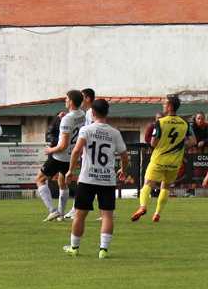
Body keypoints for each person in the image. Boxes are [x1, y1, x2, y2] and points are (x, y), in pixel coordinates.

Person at [63, 98, 129, 258]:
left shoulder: (86, 130)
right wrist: (123, 169)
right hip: (107, 179)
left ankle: (74, 247)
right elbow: (124, 155)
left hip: (87, 178)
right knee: (107, 215)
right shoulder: (115, 132)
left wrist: (70, 170)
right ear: (107, 113)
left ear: (92, 113)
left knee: (80, 214)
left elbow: (76, 151)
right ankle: (103, 250)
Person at [132, 95, 194, 223]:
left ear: (170, 106)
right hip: (175, 162)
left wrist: (163, 144)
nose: (163, 106)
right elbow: (193, 141)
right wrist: (179, 145)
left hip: (159, 159)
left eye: (165, 104)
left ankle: (143, 207)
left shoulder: (160, 122)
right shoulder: (185, 123)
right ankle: (157, 213)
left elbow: (153, 143)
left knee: (148, 183)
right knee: (165, 186)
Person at [35, 91, 86, 222]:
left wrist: (50, 150)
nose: (65, 101)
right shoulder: (82, 114)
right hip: (71, 157)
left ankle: (53, 211)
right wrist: (64, 117)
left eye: (67, 99)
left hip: (59, 156)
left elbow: (63, 145)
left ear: (71, 102)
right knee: (62, 183)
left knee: (40, 179)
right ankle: (61, 215)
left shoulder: (67, 119)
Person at [183, 111, 208, 196]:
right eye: (198, 118)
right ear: (195, 119)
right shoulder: (191, 127)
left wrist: (204, 141)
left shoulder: (207, 126)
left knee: (199, 170)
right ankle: (190, 190)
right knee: (191, 170)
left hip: (204, 151)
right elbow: (188, 139)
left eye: (202, 118)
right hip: (192, 151)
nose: (200, 120)